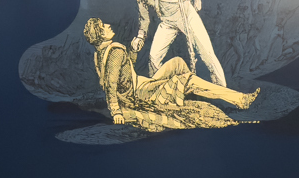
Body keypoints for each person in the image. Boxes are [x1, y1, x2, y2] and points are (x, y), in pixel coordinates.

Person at [84, 16, 256, 133]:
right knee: (187, 79)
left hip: (142, 84)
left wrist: (133, 51)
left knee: (177, 63)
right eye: (103, 27)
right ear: (100, 35)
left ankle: (184, 94)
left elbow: (125, 73)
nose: (108, 26)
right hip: (141, 92)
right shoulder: (115, 52)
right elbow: (111, 84)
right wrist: (116, 112)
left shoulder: (100, 53)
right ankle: (240, 99)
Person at [128, 0, 229, 88]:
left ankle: (222, 90)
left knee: (207, 54)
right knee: (154, 58)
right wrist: (140, 37)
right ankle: (159, 89)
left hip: (187, 15)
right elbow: (144, 18)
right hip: (167, 22)